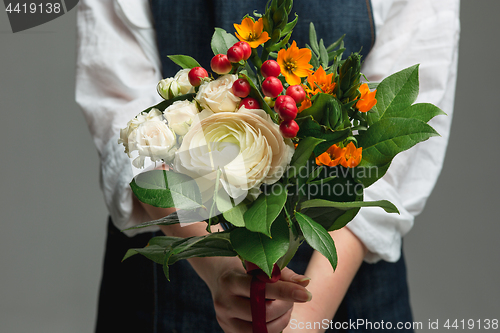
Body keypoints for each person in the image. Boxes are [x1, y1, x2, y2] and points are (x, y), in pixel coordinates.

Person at [76, 0, 460, 332]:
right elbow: (127, 122)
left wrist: (309, 313)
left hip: (345, 281)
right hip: (176, 266)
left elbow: (390, 137)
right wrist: (217, 267)